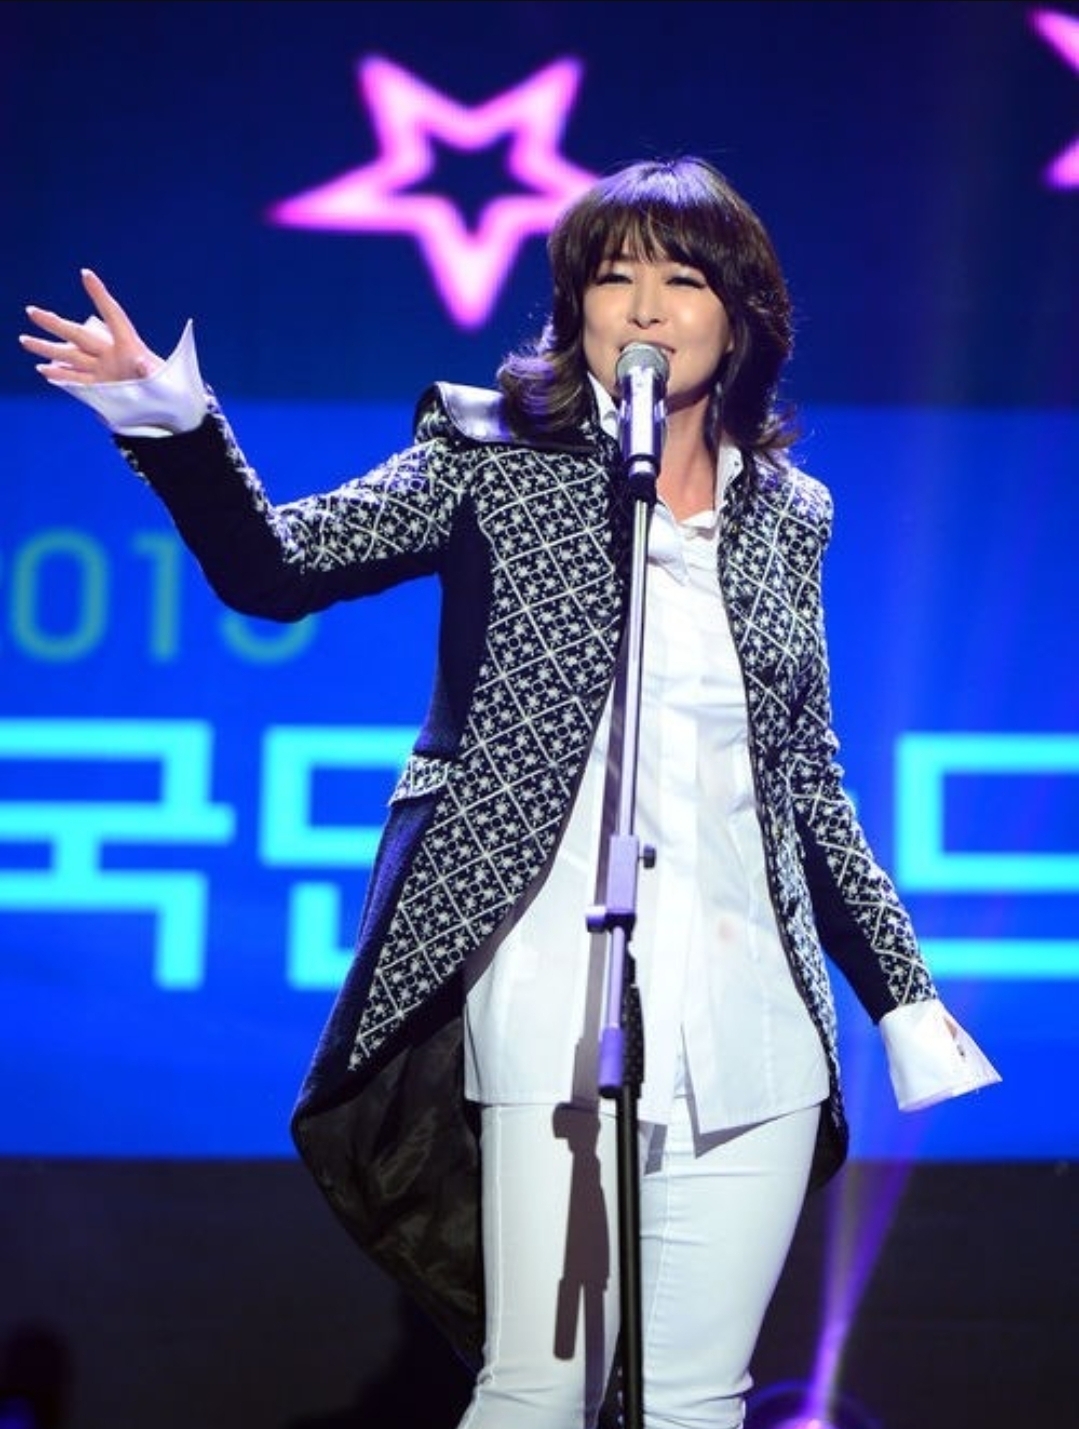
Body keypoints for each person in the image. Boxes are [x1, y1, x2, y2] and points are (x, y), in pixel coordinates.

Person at [19, 155, 999, 1429]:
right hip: (551, 983)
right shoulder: (489, 455)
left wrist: (901, 996)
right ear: (573, 305)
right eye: (611, 277)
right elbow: (279, 565)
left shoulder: (787, 513)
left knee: (696, 1399)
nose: (641, 308)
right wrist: (170, 418)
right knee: (540, 1385)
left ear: (741, 314)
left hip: (753, 1008)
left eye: (680, 279)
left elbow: (805, 779)